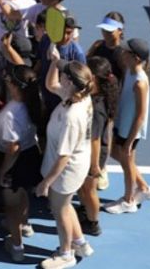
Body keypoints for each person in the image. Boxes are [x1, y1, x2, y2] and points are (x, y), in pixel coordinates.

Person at [35, 47, 95, 269]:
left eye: (63, 73)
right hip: (75, 165)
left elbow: (63, 156)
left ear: (69, 82)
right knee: (66, 205)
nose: (60, 75)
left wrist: (46, 182)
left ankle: (66, 254)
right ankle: (80, 243)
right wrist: (55, 62)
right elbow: (51, 85)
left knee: (59, 211)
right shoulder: (78, 96)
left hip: (66, 171)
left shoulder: (72, 116)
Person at [0, 64, 45, 262]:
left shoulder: (10, 114)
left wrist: (3, 171)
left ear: (13, 85)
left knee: (11, 206)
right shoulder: (32, 103)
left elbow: (13, 148)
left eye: (8, 78)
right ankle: (24, 224)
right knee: (24, 194)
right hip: (30, 154)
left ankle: (16, 246)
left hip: (14, 163)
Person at [104, 39, 150, 215]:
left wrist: (129, 142)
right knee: (116, 154)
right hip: (122, 125)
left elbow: (141, 115)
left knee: (127, 163)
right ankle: (143, 187)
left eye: (125, 52)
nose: (122, 53)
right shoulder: (129, 71)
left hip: (130, 131)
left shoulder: (140, 83)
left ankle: (128, 201)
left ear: (135, 58)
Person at [86, 11, 129, 190]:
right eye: (104, 30)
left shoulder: (122, 54)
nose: (105, 34)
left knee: (104, 136)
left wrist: (116, 104)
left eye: (110, 31)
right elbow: (87, 63)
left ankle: (102, 169)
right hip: (93, 96)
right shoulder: (98, 45)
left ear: (120, 31)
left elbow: (125, 79)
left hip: (110, 100)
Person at [77, 56, 119, 237]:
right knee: (84, 188)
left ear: (93, 78)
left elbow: (95, 139)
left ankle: (93, 223)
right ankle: (85, 210)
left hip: (92, 155)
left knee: (89, 190)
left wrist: (94, 166)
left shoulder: (96, 108)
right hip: (93, 152)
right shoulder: (101, 97)